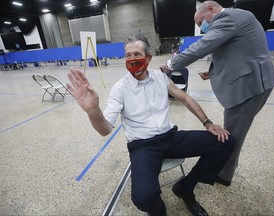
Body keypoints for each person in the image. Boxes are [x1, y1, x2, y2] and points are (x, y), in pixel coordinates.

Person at [67, 35, 235, 216]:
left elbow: (185, 98)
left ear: (148, 58)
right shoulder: (120, 88)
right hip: (143, 146)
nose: (132, 59)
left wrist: (207, 123)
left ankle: (186, 187)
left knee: (226, 142)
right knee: (143, 197)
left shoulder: (160, 77)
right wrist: (93, 111)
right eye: (128, 55)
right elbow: (105, 129)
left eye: (137, 54)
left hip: (171, 137)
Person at [160, 0, 274, 187]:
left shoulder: (226, 17)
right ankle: (224, 169)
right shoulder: (240, 16)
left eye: (201, 23)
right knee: (233, 131)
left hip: (248, 86)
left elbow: (201, 47)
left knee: (231, 136)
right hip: (256, 81)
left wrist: (170, 65)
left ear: (211, 9)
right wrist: (213, 72)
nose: (202, 28)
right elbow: (241, 52)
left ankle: (223, 174)